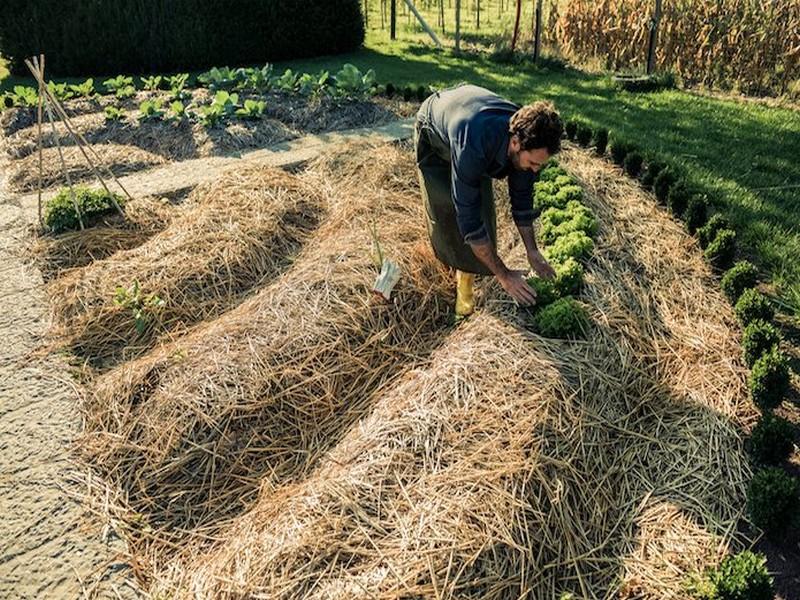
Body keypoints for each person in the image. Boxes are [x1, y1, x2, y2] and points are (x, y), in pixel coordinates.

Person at [414, 83, 563, 316]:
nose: (535, 169)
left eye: (539, 165)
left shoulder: (526, 136)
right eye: (533, 163)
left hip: (470, 121)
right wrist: (504, 276)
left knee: (483, 212)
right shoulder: (473, 144)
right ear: (515, 143)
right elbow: (470, 222)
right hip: (435, 132)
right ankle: (451, 270)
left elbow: (522, 200)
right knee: (447, 210)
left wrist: (532, 251)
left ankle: (467, 271)